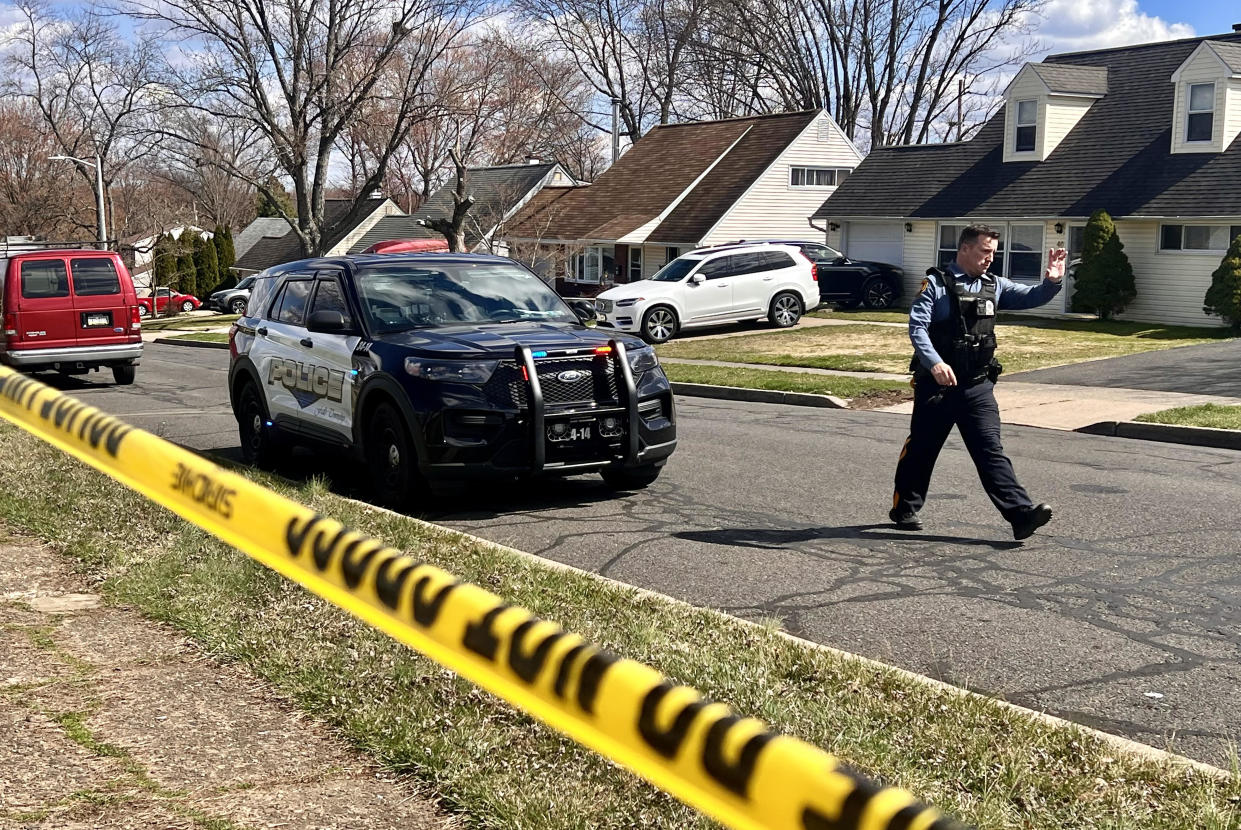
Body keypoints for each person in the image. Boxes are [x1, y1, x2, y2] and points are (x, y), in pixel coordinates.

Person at [889, 224, 1067, 540]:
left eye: (993, 253)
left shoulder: (993, 285)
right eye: (985, 251)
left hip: (977, 386)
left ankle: (1020, 515)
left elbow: (1032, 297)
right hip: (938, 387)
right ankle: (905, 507)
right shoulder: (935, 285)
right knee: (923, 449)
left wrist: (1052, 280)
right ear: (965, 249)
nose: (990, 258)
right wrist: (935, 363)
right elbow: (917, 329)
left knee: (990, 449)